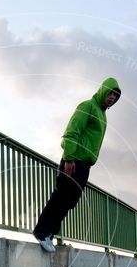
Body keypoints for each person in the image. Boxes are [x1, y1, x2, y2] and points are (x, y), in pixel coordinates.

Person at [33, 76, 121, 252]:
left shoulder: (102, 114)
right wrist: (69, 158)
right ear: (103, 90)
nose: (112, 98)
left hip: (84, 165)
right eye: (110, 93)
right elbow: (72, 132)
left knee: (70, 201)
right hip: (74, 161)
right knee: (61, 196)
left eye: (115, 96)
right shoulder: (88, 106)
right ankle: (41, 232)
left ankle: (50, 233)